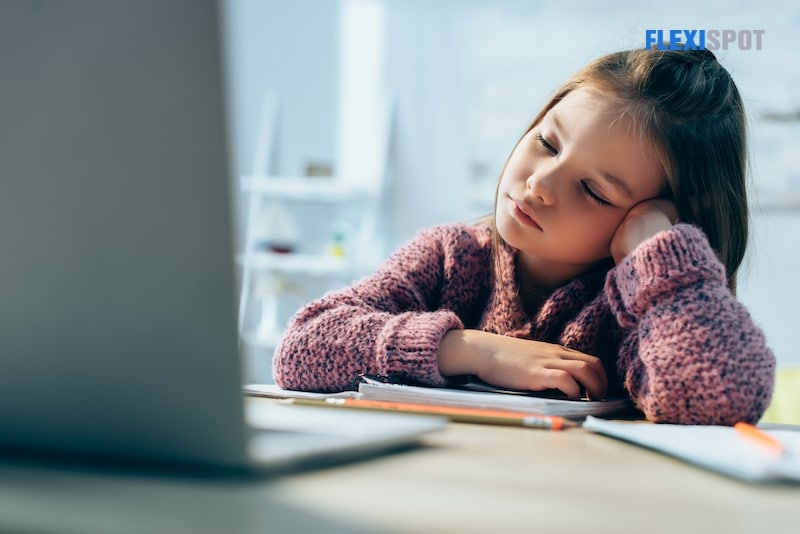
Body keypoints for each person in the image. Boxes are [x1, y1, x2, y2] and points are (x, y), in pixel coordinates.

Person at [272, 48, 776, 425]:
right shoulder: (451, 256)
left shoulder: (639, 312)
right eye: (546, 142)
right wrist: (472, 350)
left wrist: (659, 255)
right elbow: (301, 348)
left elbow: (722, 402)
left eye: (594, 191)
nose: (540, 184)